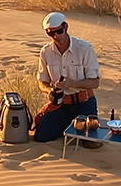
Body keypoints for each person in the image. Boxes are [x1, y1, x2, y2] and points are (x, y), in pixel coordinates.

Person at [32, 12, 102, 145]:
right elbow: (42, 81)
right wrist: (49, 91)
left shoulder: (84, 49)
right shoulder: (45, 52)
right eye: (50, 33)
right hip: (61, 104)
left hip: (84, 102)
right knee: (41, 136)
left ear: (66, 27)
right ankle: (70, 127)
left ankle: (81, 129)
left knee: (89, 143)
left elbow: (95, 82)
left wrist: (72, 83)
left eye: (58, 31)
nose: (55, 36)